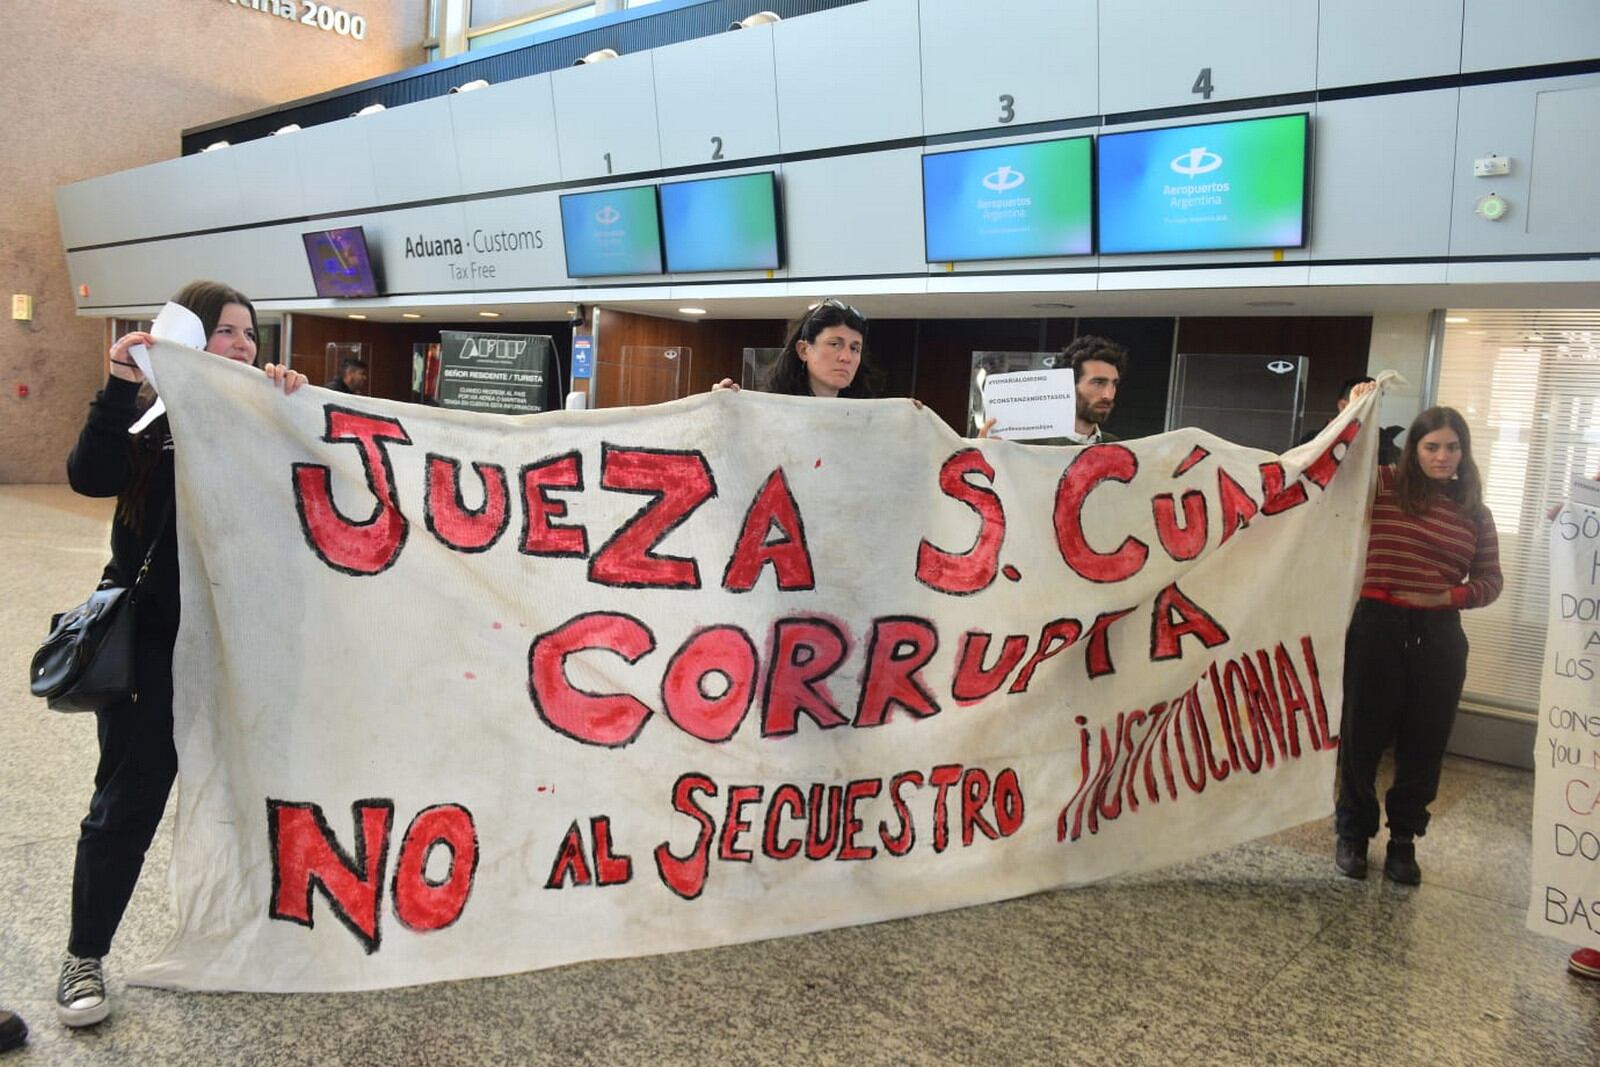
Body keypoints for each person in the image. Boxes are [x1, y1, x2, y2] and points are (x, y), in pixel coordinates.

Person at [57, 281, 306, 1028]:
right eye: (225, 332)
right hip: (153, 649)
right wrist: (121, 387)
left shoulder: (264, 416)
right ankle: (83, 955)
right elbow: (89, 476)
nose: (241, 346)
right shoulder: (150, 423)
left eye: (250, 335)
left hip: (243, 644)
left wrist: (296, 411)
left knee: (256, 796)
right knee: (127, 802)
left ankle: (251, 937)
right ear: (190, 338)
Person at [1334, 400, 1502, 885]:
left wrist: (1450, 594)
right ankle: (1353, 835)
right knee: (1361, 740)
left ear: (1464, 453)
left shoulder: (1475, 511)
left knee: (1424, 743)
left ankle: (1404, 840)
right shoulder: (1383, 485)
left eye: (1453, 447)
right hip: (1376, 626)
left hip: (1440, 634)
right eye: (1432, 446)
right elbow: (1337, 468)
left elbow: (1491, 580)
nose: (1442, 456)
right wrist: (1358, 411)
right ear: (1415, 449)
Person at [714, 299, 878, 397]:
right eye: (835, 344)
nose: (846, 357)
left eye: (855, 349)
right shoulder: (767, 411)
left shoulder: (868, 421)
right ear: (804, 350)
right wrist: (720, 409)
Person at [979, 334, 1125, 444]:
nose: (1108, 395)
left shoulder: (1115, 445)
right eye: (1098, 383)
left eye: (1114, 384)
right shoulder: (1026, 445)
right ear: (1067, 385)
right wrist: (984, 454)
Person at [1300, 375, 1402, 463]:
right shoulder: (1313, 439)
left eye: (1376, 406)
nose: (1372, 412)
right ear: (1343, 406)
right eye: (1365, 405)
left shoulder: (1381, 438)